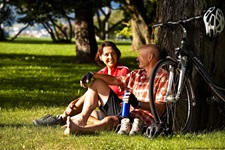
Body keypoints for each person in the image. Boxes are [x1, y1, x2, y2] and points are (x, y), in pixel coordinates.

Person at [63, 44, 168, 136]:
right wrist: (92, 75)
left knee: (110, 120)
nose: (137, 58)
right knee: (97, 83)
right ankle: (82, 119)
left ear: (150, 57)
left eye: (140, 55)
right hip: (125, 110)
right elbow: (115, 80)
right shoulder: (137, 74)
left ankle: (81, 130)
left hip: (139, 119)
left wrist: (138, 103)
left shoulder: (163, 76)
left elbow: (161, 107)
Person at [33, 41, 130, 126]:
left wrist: (92, 75)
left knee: (96, 85)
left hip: (120, 109)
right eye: (107, 54)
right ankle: (98, 123)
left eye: (113, 53)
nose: (111, 57)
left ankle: (62, 118)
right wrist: (75, 102)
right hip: (106, 110)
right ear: (100, 57)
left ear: (117, 54)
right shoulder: (101, 72)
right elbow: (90, 93)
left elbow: (114, 81)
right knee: (85, 112)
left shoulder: (124, 70)